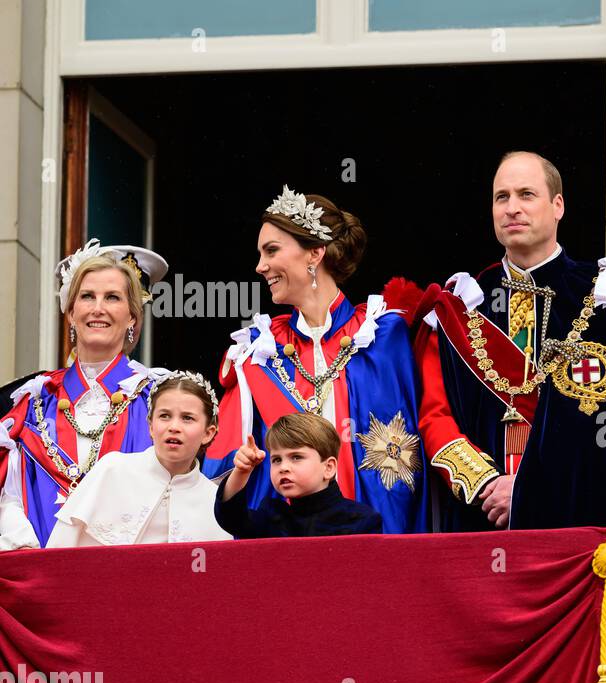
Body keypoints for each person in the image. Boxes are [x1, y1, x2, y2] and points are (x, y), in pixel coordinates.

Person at [414, 151, 606, 530]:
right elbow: (434, 415)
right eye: (501, 197)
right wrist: (487, 484)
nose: (512, 208)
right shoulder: (461, 305)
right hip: (481, 518)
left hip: (576, 522)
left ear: (558, 206)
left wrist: (528, 492)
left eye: (527, 194)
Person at [204, 186, 427, 534]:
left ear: (315, 253)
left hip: (375, 536)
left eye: (272, 250)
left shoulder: (384, 335)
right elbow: (221, 471)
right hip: (286, 544)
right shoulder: (258, 352)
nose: (260, 266)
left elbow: (417, 443)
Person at [0, 240, 170, 550]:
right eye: (87, 296)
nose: (98, 308)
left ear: (132, 316)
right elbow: (8, 495)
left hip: (131, 576)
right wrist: (24, 546)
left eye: (113, 298)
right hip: (42, 575)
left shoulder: (159, 400)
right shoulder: (31, 402)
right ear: (70, 313)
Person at [46, 371, 231, 546]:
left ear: (208, 433)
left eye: (187, 418)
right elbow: (59, 549)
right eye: (165, 416)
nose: (174, 426)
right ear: (151, 426)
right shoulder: (112, 469)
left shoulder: (213, 500)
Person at [214, 412, 381, 538]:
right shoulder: (271, 517)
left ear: (328, 467)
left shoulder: (361, 520)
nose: (283, 467)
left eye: (296, 457)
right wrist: (241, 471)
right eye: (276, 459)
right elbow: (231, 519)